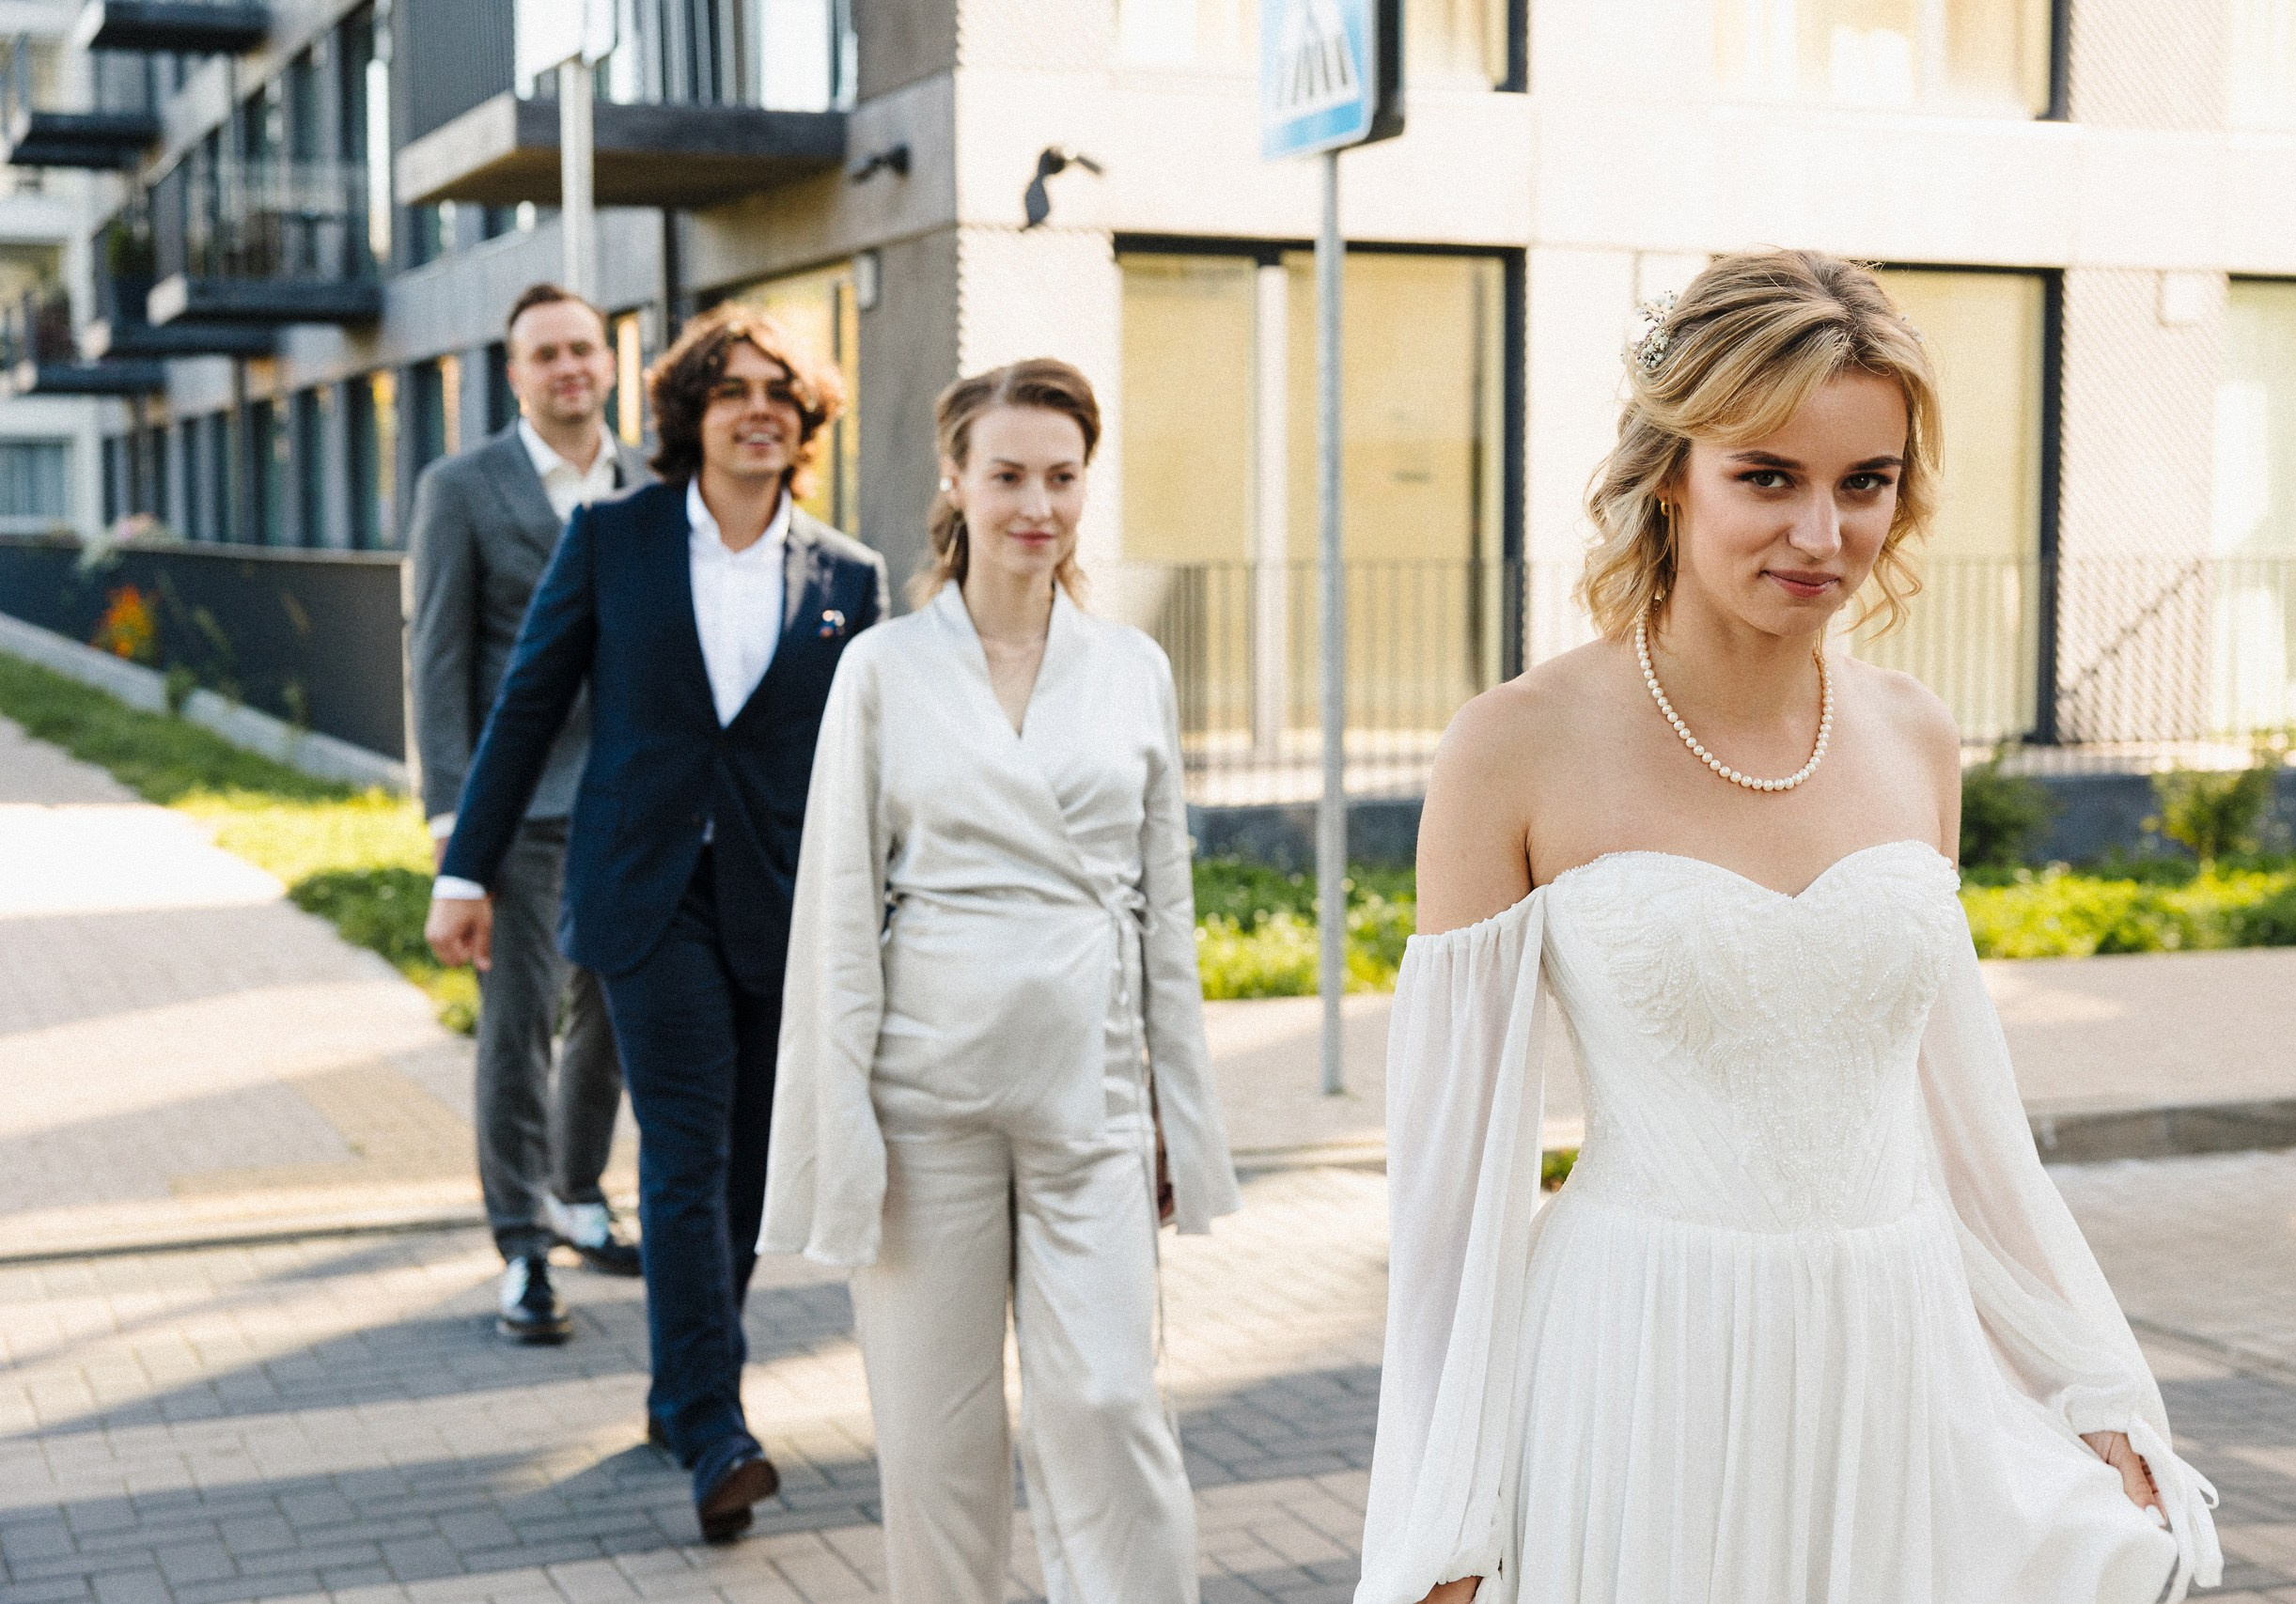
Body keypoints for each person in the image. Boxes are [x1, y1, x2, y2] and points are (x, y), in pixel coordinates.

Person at [1360, 251, 2222, 1604]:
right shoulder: (1514, 747)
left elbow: (1961, 1114)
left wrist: (2089, 1375)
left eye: (1863, 482)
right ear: (1672, 473)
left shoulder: (1916, 737)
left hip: (1899, 1356)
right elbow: (1451, 1198)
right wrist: (1442, 1521)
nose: (1822, 534)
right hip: (1642, 1362)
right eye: (1769, 476)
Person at [757, 358, 1242, 1602]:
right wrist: (841, 1113)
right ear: (957, 480)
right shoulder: (882, 667)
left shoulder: (1132, 666)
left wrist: (1178, 1112)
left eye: (1063, 476)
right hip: (925, 1103)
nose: (1038, 502)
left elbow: (1167, 913)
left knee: (1107, 1402)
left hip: (1092, 1097)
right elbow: (838, 909)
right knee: (935, 1440)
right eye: (1010, 473)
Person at [426, 304, 887, 1544]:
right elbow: (525, 708)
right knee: (684, 1149)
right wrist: (463, 870)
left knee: (740, 1169)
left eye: (779, 395)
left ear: (804, 422)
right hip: (643, 891)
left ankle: (678, 1391)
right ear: (692, 412)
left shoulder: (849, 576)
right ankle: (721, 1426)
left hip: (776, 901)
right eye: (732, 390)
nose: (758, 410)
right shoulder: (615, 535)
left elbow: (868, 764)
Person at [409, 283, 651, 1343]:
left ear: (610, 362)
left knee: (613, 1018)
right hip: (523, 812)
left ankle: (580, 1192)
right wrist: (455, 834)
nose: (569, 369)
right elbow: (439, 661)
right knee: (519, 1030)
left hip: (639, 803)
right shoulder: (462, 487)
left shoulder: (654, 481)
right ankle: (520, 1247)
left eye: (584, 350)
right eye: (545, 354)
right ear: (514, 374)